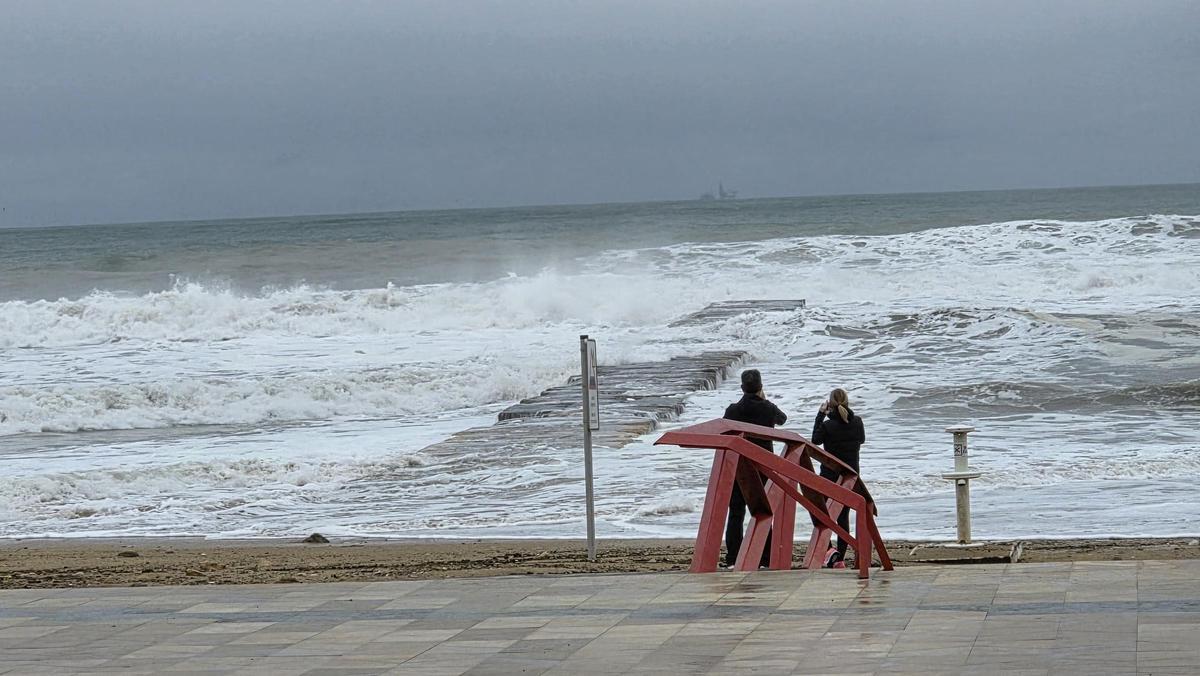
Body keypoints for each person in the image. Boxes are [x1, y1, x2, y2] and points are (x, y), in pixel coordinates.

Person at [721, 369, 787, 568]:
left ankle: (733, 557)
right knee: (763, 511)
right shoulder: (768, 408)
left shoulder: (733, 410)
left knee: (736, 512)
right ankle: (765, 558)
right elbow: (782, 419)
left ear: (742, 388)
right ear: (761, 387)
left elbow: (723, 433)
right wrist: (764, 400)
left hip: (739, 465)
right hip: (762, 466)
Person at [812, 387, 866, 569]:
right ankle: (840, 559)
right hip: (850, 476)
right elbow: (861, 440)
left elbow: (815, 440)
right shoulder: (857, 422)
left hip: (829, 476)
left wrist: (821, 415)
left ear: (830, 404)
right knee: (843, 517)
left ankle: (829, 550)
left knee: (819, 512)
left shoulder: (828, 425)